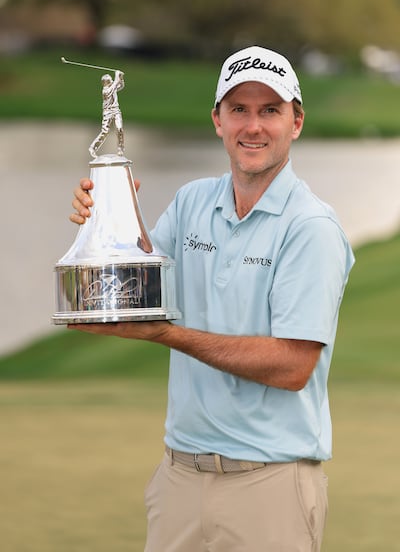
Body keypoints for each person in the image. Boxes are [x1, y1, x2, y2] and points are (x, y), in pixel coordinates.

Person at [69, 45, 355, 552]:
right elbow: (135, 289)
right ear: (217, 120)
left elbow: (293, 365)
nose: (253, 126)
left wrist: (169, 335)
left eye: (270, 110)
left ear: (297, 122)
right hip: (179, 475)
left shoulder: (311, 227)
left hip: (270, 484)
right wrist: (106, 219)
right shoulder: (192, 201)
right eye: (238, 109)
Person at [89, 69, 125, 157]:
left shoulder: (113, 86)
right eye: (110, 81)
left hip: (116, 110)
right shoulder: (105, 91)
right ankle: (93, 148)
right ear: (105, 83)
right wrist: (117, 76)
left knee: (119, 128)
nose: (112, 81)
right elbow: (114, 86)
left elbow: (120, 86)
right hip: (107, 112)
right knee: (105, 132)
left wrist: (121, 78)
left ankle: (120, 148)